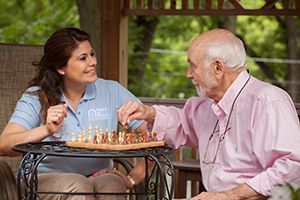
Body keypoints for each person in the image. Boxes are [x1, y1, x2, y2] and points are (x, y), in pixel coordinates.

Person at [117, 28, 300, 199]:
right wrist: (148, 112)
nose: (189, 74)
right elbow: (182, 124)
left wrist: (231, 195)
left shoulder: (268, 100)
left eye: (193, 66)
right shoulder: (208, 105)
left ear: (218, 68)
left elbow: (293, 165)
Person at [0, 27, 147, 200]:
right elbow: (4, 146)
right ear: (61, 68)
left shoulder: (112, 90)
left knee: (112, 184)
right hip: (43, 180)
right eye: (82, 58)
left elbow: (154, 131)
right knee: (78, 185)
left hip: (99, 175)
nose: (92, 62)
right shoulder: (35, 97)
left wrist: (131, 178)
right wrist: (46, 130)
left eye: (92, 54)